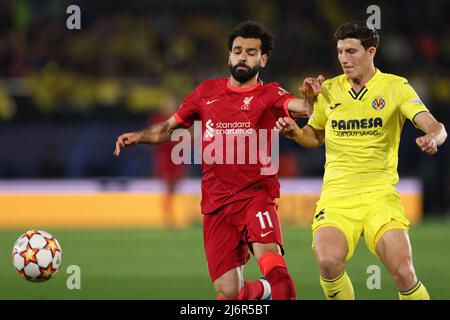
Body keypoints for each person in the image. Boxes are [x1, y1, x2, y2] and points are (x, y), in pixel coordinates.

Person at [114, 20, 321, 300]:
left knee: (279, 275)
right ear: (229, 55)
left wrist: (311, 96)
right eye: (237, 50)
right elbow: (167, 128)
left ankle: (277, 288)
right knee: (228, 292)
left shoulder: (270, 93)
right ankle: (266, 291)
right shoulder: (206, 93)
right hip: (216, 205)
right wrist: (138, 136)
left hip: (255, 197)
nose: (242, 56)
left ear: (263, 58)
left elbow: (303, 107)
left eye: (250, 52)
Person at [276, 21, 447, 300]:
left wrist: (433, 138)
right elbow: (315, 136)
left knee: (404, 272)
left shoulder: (396, 87)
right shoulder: (329, 90)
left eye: (351, 51)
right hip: (337, 197)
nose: (344, 58)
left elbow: (436, 127)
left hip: (380, 195)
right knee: (328, 262)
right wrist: (295, 132)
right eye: (340, 51)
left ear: (371, 52)